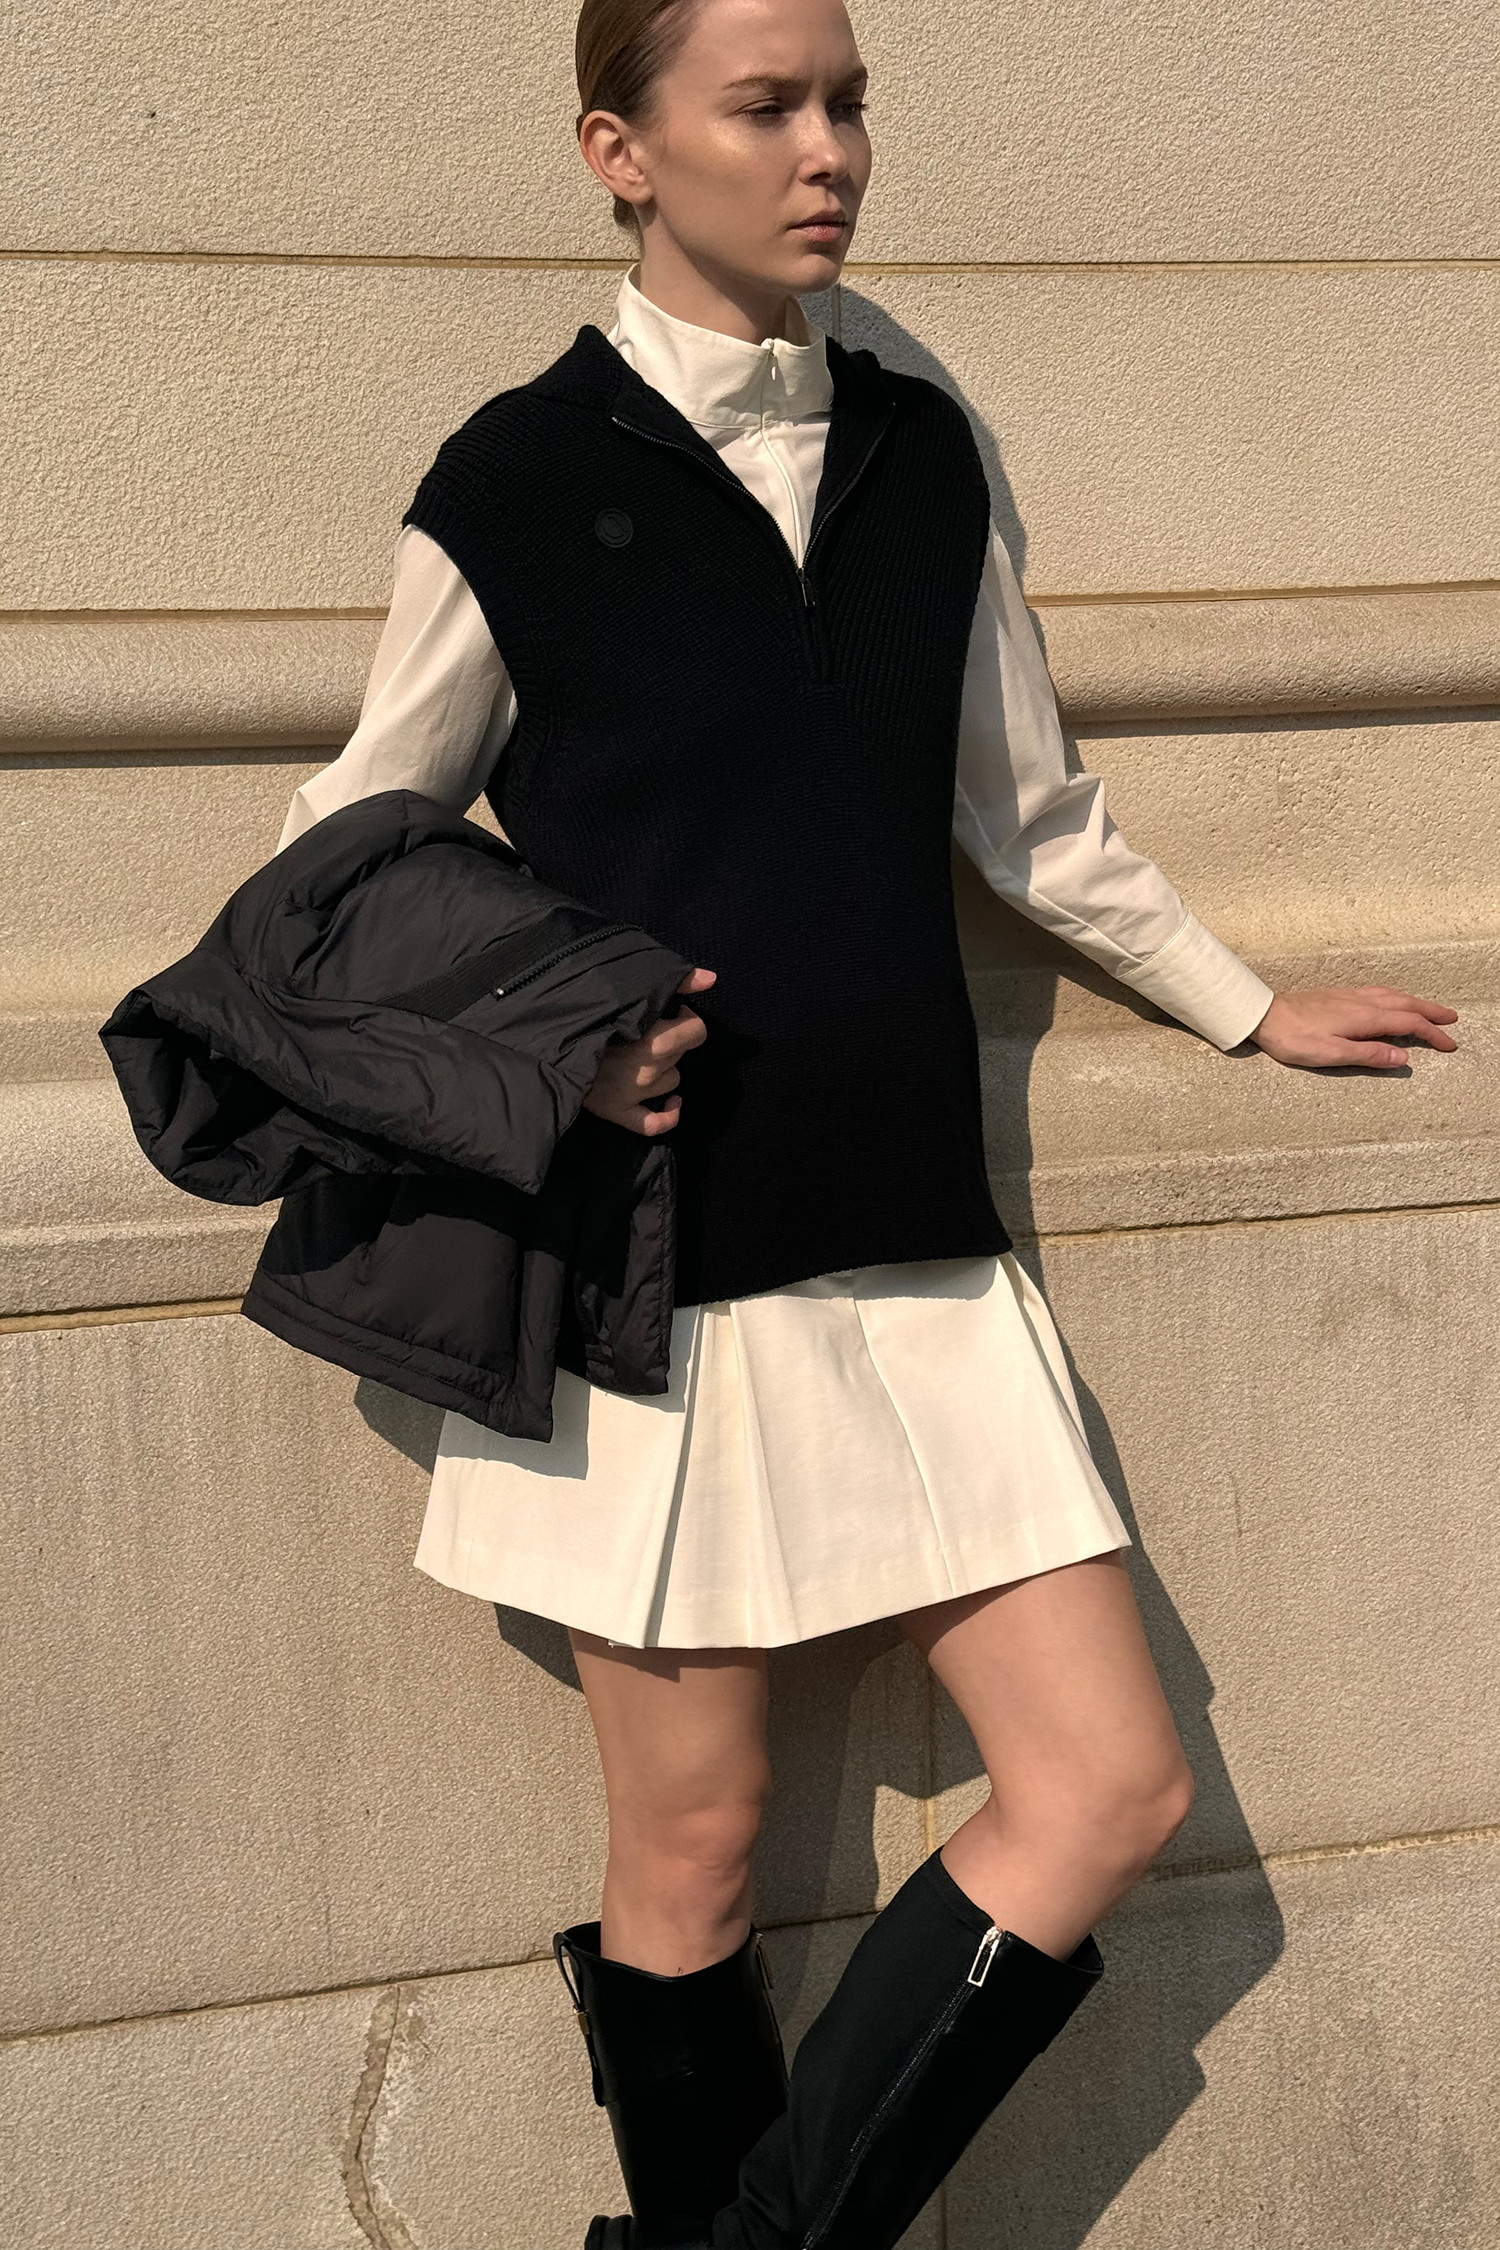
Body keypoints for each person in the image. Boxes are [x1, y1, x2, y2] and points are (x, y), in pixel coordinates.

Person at [278, 2, 1458, 2241]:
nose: (828, 151)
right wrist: (545, 1045)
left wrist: (1241, 1004)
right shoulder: (516, 477)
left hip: (912, 1238)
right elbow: (344, 858)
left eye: (848, 105)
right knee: (695, 1851)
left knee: (1106, 1784)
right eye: (767, 107)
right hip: (655, 1260)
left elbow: (1032, 818)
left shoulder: (922, 443)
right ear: (621, 151)